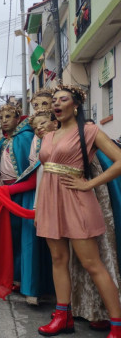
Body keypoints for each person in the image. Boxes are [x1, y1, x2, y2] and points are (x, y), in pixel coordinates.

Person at [36, 85, 121, 337]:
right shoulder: (48, 135)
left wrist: (89, 184)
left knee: (92, 263)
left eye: (63, 99)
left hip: (77, 201)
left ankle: (116, 324)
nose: (56, 104)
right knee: (58, 260)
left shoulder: (89, 131)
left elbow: (119, 160)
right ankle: (63, 317)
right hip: (50, 202)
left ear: (75, 105)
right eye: (53, 101)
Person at [0, 104, 52, 304]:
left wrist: (8, 190)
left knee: (27, 239)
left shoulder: (25, 138)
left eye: (8, 116)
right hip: (6, 194)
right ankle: (16, 277)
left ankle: (32, 286)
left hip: (25, 193)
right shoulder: (3, 142)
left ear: (18, 118)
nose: (4, 120)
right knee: (11, 237)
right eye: (1, 117)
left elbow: (31, 173)